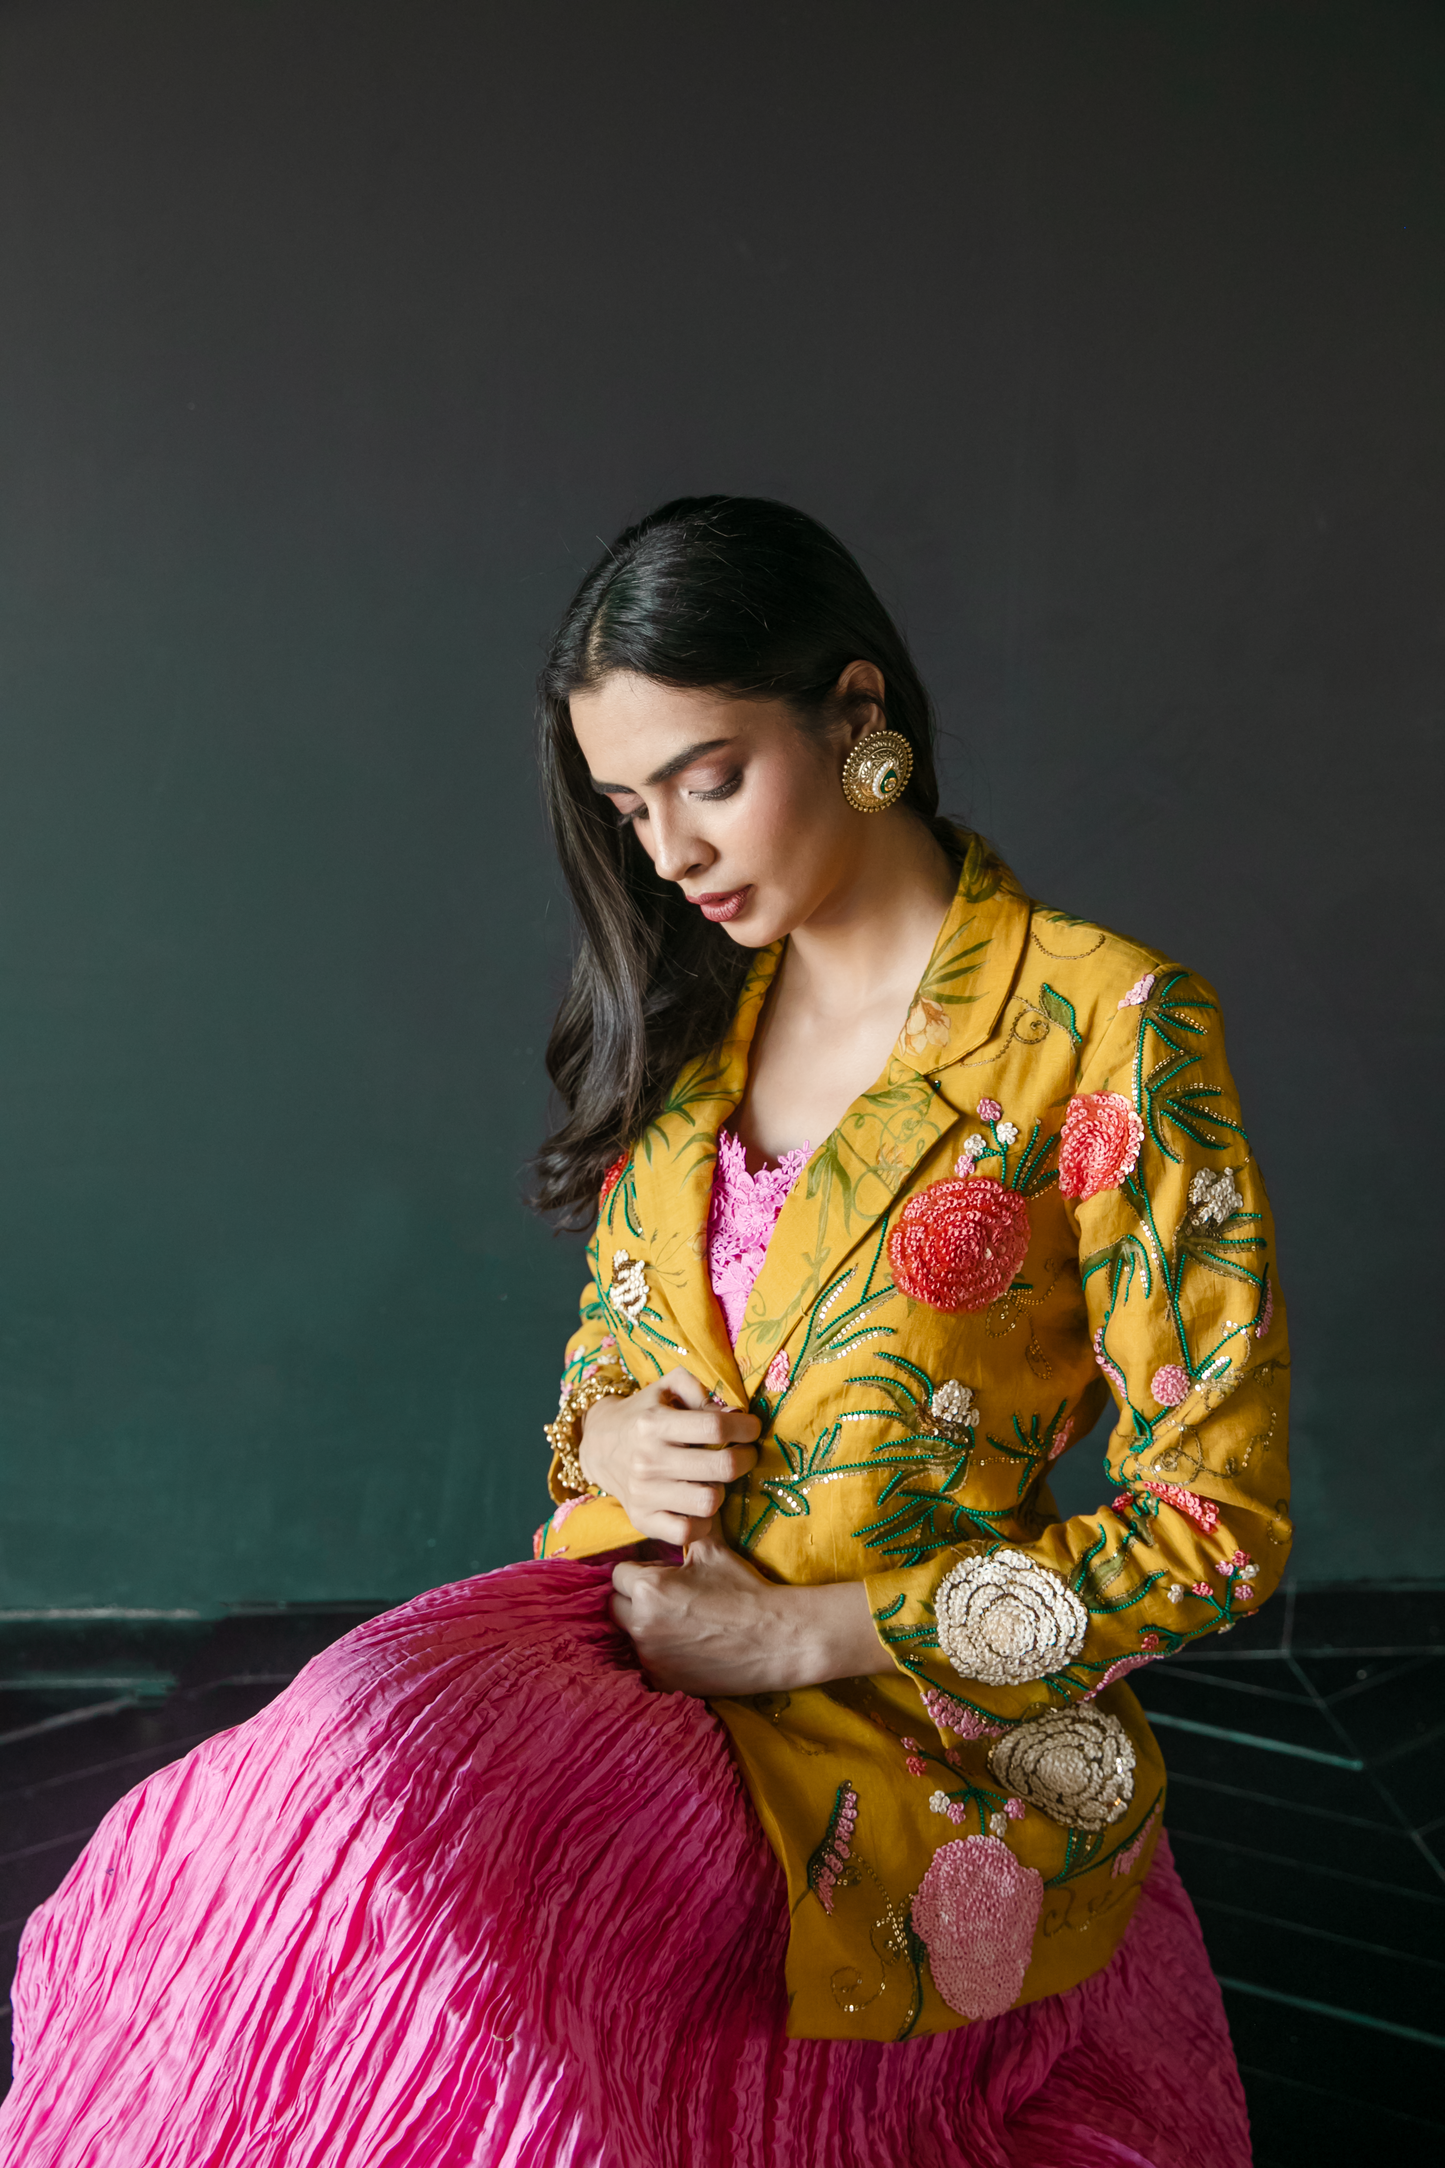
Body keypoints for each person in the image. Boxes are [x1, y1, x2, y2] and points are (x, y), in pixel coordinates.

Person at [0, 497, 1289, 2166]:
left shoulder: (1101, 1024)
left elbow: (1216, 1530)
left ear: (856, 714)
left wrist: (803, 1635)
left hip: (890, 1725)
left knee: (404, 1848)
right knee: (287, 1806)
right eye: (627, 805)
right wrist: (607, 1434)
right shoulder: (694, 1037)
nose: (669, 851)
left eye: (708, 775)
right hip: (628, 1642)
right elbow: (606, 1378)